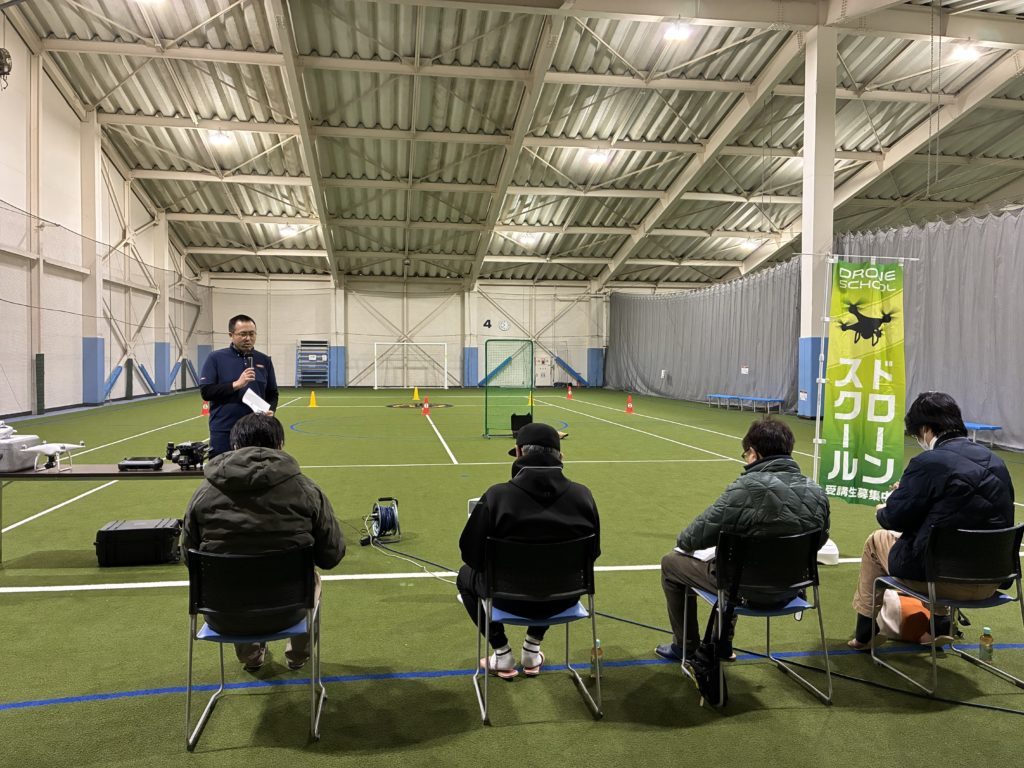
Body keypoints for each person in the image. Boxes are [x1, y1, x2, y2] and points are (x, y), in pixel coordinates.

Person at [848, 391, 1015, 649]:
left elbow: (894, 518)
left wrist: (884, 506)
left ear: (926, 429)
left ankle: (865, 633)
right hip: (993, 579)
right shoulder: (997, 462)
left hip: (942, 579)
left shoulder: (928, 462)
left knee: (876, 541)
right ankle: (940, 627)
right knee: (943, 542)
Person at [658, 417, 830, 662]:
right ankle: (722, 645)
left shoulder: (746, 488)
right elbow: (819, 540)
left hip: (744, 591)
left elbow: (689, 539)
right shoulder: (816, 491)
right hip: (793, 590)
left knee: (671, 563)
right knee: (735, 565)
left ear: (753, 453)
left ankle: (686, 646)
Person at [183, 413, 345, 672]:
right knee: (311, 578)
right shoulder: (306, 490)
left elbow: (188, 555)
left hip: (224, 615)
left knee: (229, 575)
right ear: (280, 444)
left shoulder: (203, 493)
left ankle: (251, 657)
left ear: (235, 445)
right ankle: (298, 656)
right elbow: (331, 555)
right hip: (289, 612)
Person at [457, 422, 600, 679]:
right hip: (565, 599)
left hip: (506, 599)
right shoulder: (583, 496)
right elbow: (593, 553)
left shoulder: (497, 496)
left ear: (519, 453)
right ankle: (532, 648)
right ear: (560, 456)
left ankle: (501, 651)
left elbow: (470, 555)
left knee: (464, 576)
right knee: (550, 574)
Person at [199, 314, 279, 457]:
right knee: (222, 468)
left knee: (256, 468)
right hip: (224, 429)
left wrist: (271, 411)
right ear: (231, 335)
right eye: (243, 334)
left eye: (252, 334)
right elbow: (206, 392)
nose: (248, 338)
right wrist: (236, 384)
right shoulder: (216, 358)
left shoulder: (264, 360)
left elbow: (272, 393)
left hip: (257, 429)